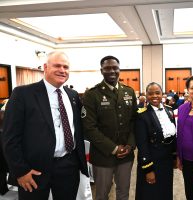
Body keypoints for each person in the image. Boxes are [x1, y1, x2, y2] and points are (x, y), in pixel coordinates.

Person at [2, 51, 88, 200]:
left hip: (68, 166)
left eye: (66, 67)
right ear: (45, 67)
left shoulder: (72, 95)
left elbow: (78, 129)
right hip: (33, 170)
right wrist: (21, 171)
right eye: (57, 65)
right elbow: (10, 138)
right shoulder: (23, 94)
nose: (62, 70)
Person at [82, 55, 137, 200]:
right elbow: (89, 128)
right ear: (101, 71)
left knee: (124, 193)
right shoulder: (92, 94)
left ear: (120, 70)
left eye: (115, 68)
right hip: (103, 155)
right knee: (101, 194)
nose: (112, 71)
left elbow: (134, 122)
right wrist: (113, 148)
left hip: (126, 154)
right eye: (107, 68)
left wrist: (130, 146)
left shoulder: (129, 92)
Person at [135, 82, 176, 200]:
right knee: (151, 193)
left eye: (157, 93)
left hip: (167, 161)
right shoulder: (142, 115)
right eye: (150, 93)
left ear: (162, 94)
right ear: (146, 95)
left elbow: (173, 137)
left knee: (165, 191)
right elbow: (142, 145)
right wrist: (148, 169)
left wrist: (174, 157)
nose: (154, 96)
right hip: (152, 161)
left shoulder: (169, 111)